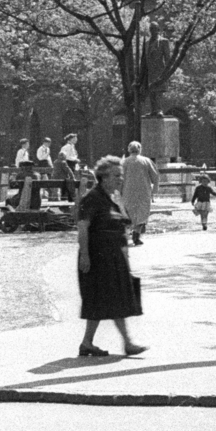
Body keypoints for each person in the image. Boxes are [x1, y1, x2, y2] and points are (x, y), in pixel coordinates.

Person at [75, 154, 144, 358]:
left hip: (113, 257)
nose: (120, 179)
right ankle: (128, 343)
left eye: (121, 175)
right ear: (103, 177)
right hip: (98, 257)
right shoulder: (93, 198)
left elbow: (124, 224)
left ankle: (87, 343)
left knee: (101, 301)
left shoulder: (112, 198)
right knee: (111, 299)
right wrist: (85, 256)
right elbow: (82, 228)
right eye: (116, 175)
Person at [120, 140, 160, 245]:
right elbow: (155, 176)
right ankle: (136, 236)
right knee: (142, 213)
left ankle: (125, 235)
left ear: (129, 150)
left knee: (128, 212)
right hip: (144, 191)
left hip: (128, 191)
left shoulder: (124, 162)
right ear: (140, 150)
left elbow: (119, 178)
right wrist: (155, 189)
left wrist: (118, 191)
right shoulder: (146, 161)